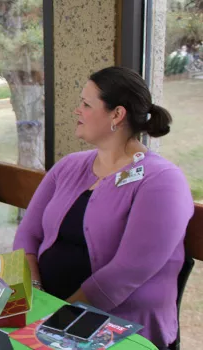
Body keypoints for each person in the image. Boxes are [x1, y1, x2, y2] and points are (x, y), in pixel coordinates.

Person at [13, 66, 193, 349]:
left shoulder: (162, 181)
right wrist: (36, 295)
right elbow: (27, 235)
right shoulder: (70, 165)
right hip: (47, 310)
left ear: (117, 115)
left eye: (86, 104)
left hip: (119, 325)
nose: (77, 110)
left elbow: (126, 272)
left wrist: (56, 319)